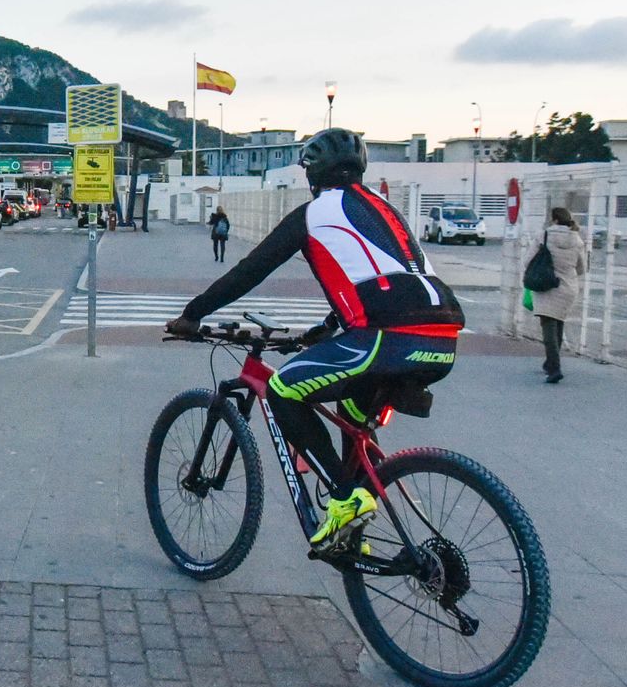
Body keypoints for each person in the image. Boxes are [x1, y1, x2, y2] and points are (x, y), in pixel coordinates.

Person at [166, 128, 465, 547]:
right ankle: (354, 527)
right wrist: (325, 331)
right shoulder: (385, 209)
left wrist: (192, 315)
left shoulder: (313, 214)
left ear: (311, 174)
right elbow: (375, 275)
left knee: (283, 390)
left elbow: (249, 271)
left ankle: (345, 499)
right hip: (443, 335)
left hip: (386, 336)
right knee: (354, 418)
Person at [532, 206, 588, 384]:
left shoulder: (544, 236)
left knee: (548, 323)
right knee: (558, 321)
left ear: (554, 219)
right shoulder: (577, 239)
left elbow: (528, 260)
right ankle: (550, 363)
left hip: (546, 283)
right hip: (569, 286)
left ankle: (554, 368)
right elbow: (581, 268)